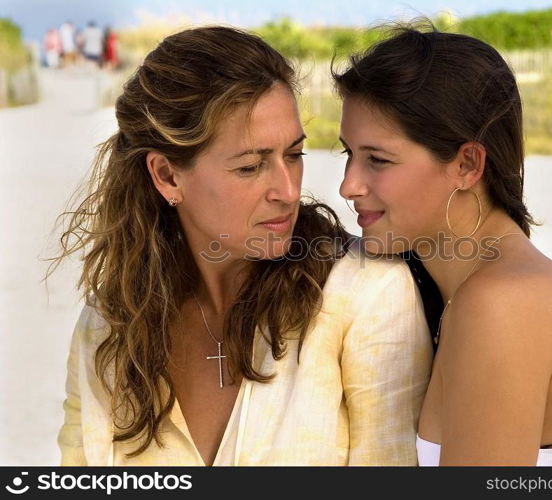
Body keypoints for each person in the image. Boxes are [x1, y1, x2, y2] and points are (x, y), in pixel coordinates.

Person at [48, 26, 432, 466]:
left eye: (294, 154)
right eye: (251, 166)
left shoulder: (366, 294)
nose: (288, 191)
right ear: (167, 176)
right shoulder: (111, 323)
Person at [333, 25, 552, 466]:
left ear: (467, 164)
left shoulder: (503, 303)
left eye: (378, 160)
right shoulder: (448, 286)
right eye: (347, 153)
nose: (347, 186)